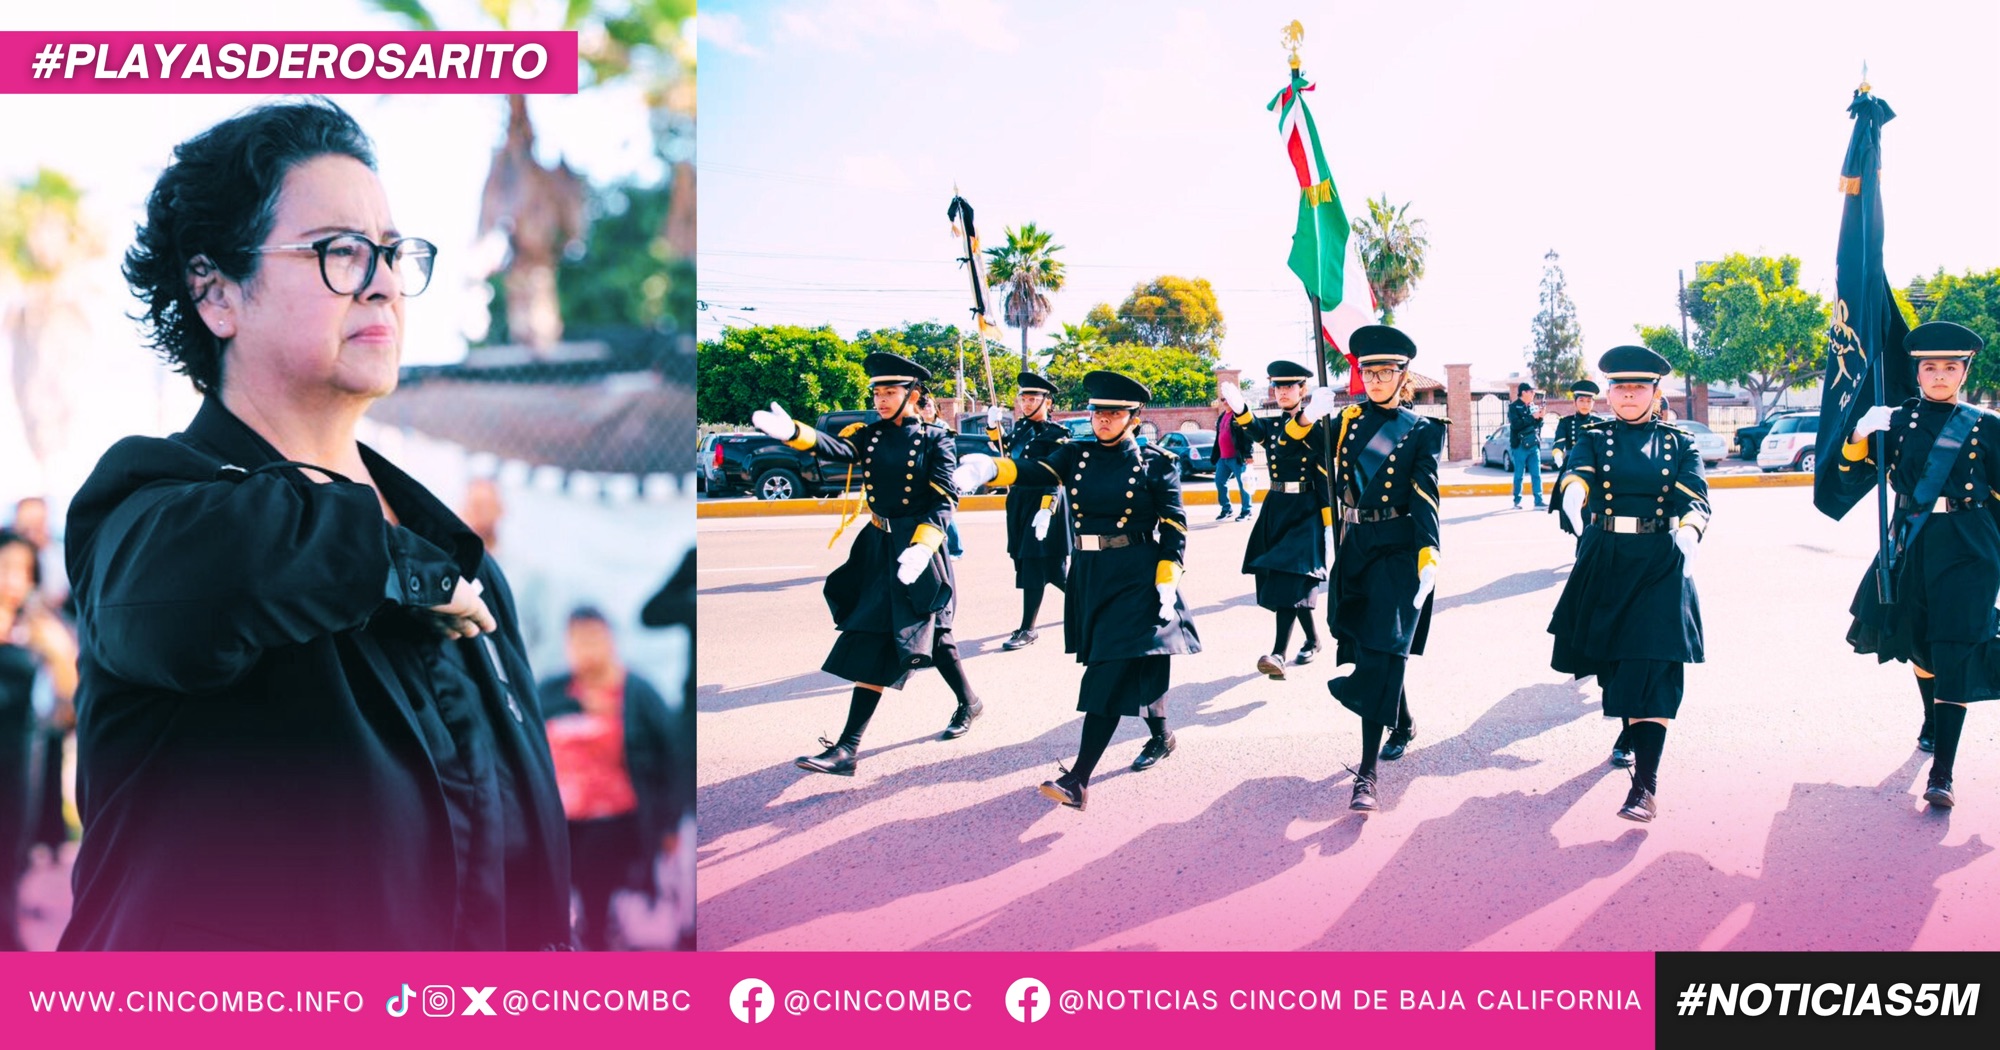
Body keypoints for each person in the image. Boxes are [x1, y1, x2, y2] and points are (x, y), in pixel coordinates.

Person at [59, 99, 572, 950]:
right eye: (338, 251)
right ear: (217, 293)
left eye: (392, 252)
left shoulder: (451, 552)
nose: (381, 279)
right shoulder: (152, 505)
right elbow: (187, 594)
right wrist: (395, 564)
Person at [954, 371, 1200, 808]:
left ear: (1133, 417)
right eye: (1097, 411)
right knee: (1133, 665)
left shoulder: (1155, 463)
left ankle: (1078, 779)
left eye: (1113, 413)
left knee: (1107, 671)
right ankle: (1162, 735)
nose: (1103, 420)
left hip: (1139, 576)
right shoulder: (1076, 454)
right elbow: (1033, 470)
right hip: (1091, 574)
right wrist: (992, 467)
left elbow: (1175, 527)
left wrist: (1167, 579)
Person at [750, 351, 982, 777]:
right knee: (889, 636)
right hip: (879, 546)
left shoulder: (936, 440)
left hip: (918, 550)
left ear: (914, 394)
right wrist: (794, 433)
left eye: (890, 391)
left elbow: (946, 499)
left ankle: (852, 746)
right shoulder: (870, 435)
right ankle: (854, 746)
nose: (880, 398)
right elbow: (837, 448)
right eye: (876, 391)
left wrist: (925, 544)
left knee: (933, 636)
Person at [1550, 345, 1710, 822]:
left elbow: (1695, 496)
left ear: (1655, 392)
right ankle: (1629, 729)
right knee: (1618, 666)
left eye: (1638, 387)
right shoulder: (1595, 438)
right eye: (1619, 387)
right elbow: (1575, 474)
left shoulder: (1681, 443)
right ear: (1608, 394)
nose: (1628, 394)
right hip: (1606, 557)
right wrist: (1574, 498)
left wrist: (1689, 530)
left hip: (1662, 560)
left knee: (1654, 665)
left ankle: (1645, 787)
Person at [1842, 321, 1997, 809]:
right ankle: (1931, 717)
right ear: (1918, 372)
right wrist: (1860, 432)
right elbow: (1849, 471)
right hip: (1913, 541)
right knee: (1920, 642)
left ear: (1964, 371)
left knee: (1955, 648)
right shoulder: (1898, 420)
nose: (1939, 375)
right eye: (1930, 367)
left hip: (1970, 546)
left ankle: (1943, 774)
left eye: (1950, 367)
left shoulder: (1985, 424)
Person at [1325, 327, 1446, 812]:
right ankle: (1404, 721)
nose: (1374, 379)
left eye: (1385, 372)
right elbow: (1292, 455)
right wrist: (1297, 418)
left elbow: (1424, 496)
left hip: (1398, 551)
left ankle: (1368, 774)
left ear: (1403, 376)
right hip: (1356, 547)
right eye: (1367, 371)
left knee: (1382, 652)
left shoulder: (1419, 430)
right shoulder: (1342, 424)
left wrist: (1429, 552)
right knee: (1373, 647)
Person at [539, 607, 678, 951]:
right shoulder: (553, 693)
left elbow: (671, 760)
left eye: (593, 639)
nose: (586, 649)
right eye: (577, 640)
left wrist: (669, 826)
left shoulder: (637, 693)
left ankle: (597, 943)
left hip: (617, 823)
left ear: (610, 640)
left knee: (597, 900)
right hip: (561, 823)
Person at [1220, 360, 1335, 678]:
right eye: (1278, 386)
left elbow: (1324, 476)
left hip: (1306, 509)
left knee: (1289, 578)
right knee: (1286, 581)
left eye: (1289, 386)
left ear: (1303, 390)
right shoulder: (1272, 424)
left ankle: (1278, 655)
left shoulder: (1316, 428)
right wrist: (1242, 409)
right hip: (1276, 507)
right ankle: (1312, 640)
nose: (1282, 391)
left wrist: (1328, 523)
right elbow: (1255, 430)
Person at [1, 529, 77, 951]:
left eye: (23, 570)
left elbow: (70, 696)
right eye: (5, 567)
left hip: (19, 764)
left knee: (11, 859)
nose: (14, 579)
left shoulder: (37, 629)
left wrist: (55, 650)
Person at [986, 372, 1072, 650]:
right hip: (1020, 505)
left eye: (1033, 398)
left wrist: (1047, 509)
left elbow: (1056, 478)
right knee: (1053, 572)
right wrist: (992, 427)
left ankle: (1028, 629)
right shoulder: (1021, 429)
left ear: (1048, 402)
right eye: (1024, 397)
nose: (1026, 402)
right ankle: (1097, 605)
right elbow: (1006, 450)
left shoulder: (1057, 436)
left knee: (1039, 567)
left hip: (1045, 506)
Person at [1549, 379, 1607, 548]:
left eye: (1589, 401)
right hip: (1573, 468)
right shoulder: (1566, 422)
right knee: (1575, 507)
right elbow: (1558, 443)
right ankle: (1580, 540)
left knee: (1593, 508)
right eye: (1581, 400)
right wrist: (1557, 454)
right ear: (1574, 402)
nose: (1585, 404)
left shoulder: (1599, 422)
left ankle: (1588, 542)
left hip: (1595, 468)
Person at [916, 393, 966, 558]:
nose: (927, 409)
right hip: (924, 476)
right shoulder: (918, 426)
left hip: (941, 476)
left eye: (930, 405)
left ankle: (956, 549)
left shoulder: (942, 427)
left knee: (945, 511)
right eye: (923, 406)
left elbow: (948, 455)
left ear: (936, 408)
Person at [1213, 398, 1255, 521]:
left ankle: (1247, 511)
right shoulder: (1222, 416)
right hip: (1223, 457)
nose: (1224, 401)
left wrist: (1248, 454)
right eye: (1223, 399)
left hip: (1237, 457)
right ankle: (1226, 509)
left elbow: (1248, 435)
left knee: (1243, 485)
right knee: (1219, 482)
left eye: (1227, 399)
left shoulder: (1239, 416)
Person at [1508, 381, 1546, 508]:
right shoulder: (1514, 407)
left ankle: (1538, 500)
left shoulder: (1532, 406)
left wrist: (1540, 417)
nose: (1533, 394)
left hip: (1533, 444)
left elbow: (1538, 426)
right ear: (1523, 392)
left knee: (1536, 473)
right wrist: (1532, 417)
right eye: (1531, 392)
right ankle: (1517, 500)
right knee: (1519, 474)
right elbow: (1516, 425)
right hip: (1520, 445)